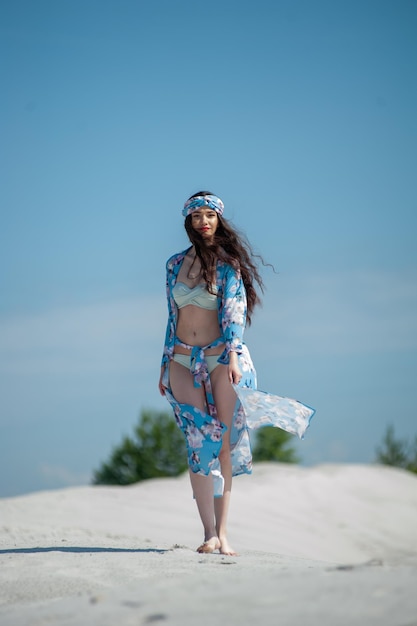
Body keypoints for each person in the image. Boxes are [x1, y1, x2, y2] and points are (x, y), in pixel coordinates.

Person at [158, 191, 314, 556]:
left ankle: (223, 533)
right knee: (199, 440)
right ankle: (207, 531)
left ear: (218, 220)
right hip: (181, 358)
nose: (203, 222)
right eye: (196, 216)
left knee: (224, 444)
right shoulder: (173, 265)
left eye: (208, 215)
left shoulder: (228, 266)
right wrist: (163, 362)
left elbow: (233, 312)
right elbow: (171, 316)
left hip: (220, 358)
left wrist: (233, 355)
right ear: (188, 222)